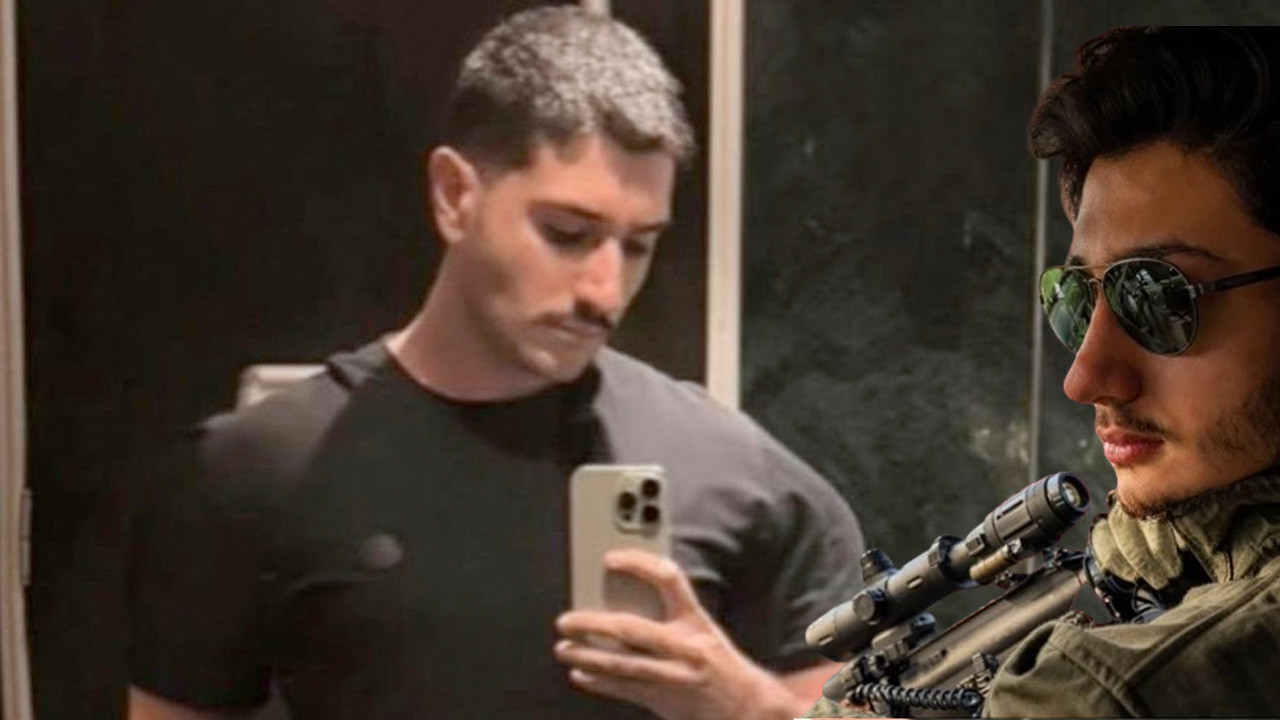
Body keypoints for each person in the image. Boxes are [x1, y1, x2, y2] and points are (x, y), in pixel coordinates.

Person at [126, 6, 865, 720]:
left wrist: (742, 707)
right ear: (455, 196)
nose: (605, 292)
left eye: (638, 245)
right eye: (567, 232)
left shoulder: (741, 480)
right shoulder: (257, 473)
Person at [806, 25, 1280, 719]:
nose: (1085, 378)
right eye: (1076, 299)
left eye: (1160, 298)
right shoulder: (1145, 572)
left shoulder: (1093, 695)